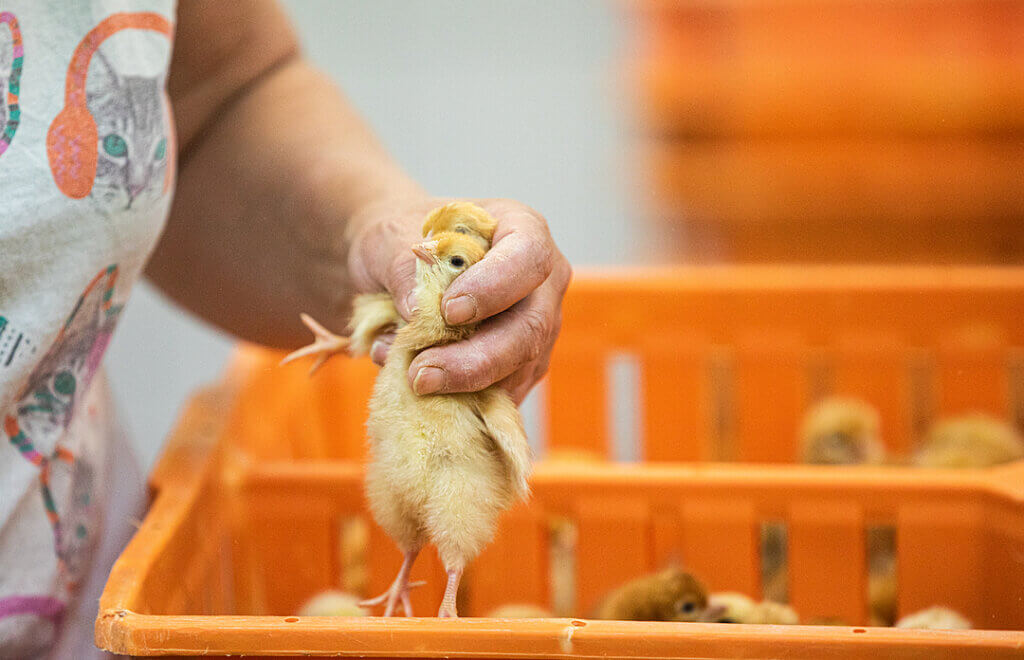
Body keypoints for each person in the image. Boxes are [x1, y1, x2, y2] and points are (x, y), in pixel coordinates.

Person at [0, 1, 571, 656]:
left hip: (73, 593)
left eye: (449, 260)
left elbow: (218, 95)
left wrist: (371, 228)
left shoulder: (424, 325)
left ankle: (438, 604)